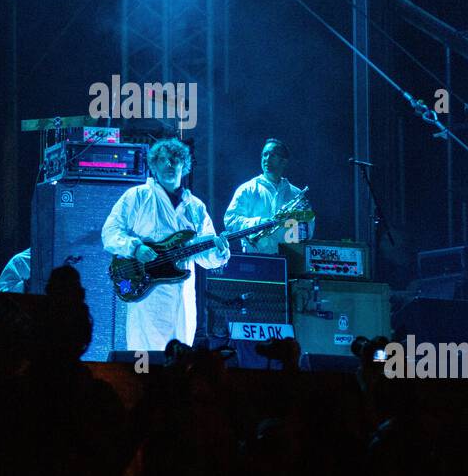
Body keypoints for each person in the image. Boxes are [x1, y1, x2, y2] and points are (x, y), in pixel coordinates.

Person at [101, 138, 230, 351]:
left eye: (174, 160)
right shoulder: (138, 197)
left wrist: (219, 250)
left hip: (182, 301)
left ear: (184, 164)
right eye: (162, 160)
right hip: (147, 296)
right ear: (154, 165)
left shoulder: (195, 207)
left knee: (178, 368)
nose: (169, 164)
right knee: (145, 367)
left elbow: (204, 257)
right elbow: (110, 232)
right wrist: (136, 248)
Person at [223, 137, 314, 254]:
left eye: (272, 155)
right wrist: (260, 223)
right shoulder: (246, 189)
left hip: (289, 259)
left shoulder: (296, 194)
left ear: (284, 161)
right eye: (264, 155)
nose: (266, 159)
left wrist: (293, 224)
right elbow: (230, 221)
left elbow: (307, 230)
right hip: (255, 257)